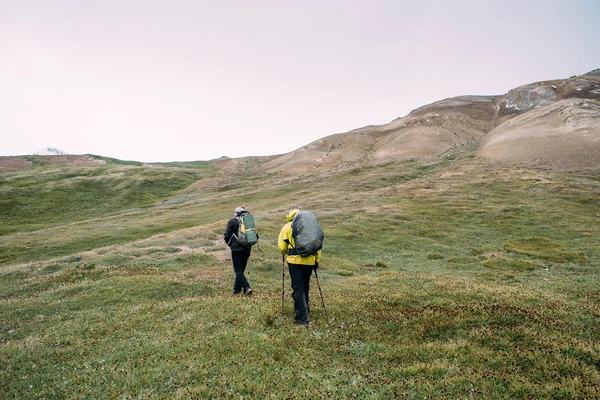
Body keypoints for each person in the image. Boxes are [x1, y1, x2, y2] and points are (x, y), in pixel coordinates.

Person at [278, 205, 321, 326]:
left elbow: (282, 247)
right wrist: (316, 260)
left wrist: (284, 252)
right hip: (310, 261)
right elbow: (317, 244)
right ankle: (305, 309)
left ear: (290, 214)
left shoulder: (287, 226)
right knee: (305, 285)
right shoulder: (310, 227)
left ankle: (303, 318)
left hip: (294, 261)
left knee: (298, 288)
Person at [224, 206, 253, 295]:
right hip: (247, 249)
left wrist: (231, 245)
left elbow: (226, 235)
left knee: (238, 270)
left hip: (236, 249)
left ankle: (246, 287)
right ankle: (237, 290)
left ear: (236, 213)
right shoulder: (249, 221)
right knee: (241, 270)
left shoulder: (232, 221)